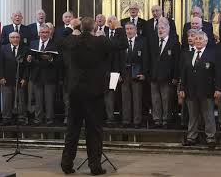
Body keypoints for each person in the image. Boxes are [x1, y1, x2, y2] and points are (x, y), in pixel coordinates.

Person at [60, 17, 128, 175]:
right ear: (94, 28)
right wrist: (118, 27)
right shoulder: (100, 41)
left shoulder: (72, 40)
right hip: (94, 93)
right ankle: (95, 166)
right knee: (94, 130)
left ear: (80, 28)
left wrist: (71, 27)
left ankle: (66, 164)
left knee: (72, 129)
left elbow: (59, 40)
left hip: (75, 91)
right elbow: (122, 44)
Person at [179, 29, 221, 147]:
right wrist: (181, 88)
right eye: (196, 39)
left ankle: (210, 138)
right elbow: (183, 74)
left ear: (206, 41)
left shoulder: (212, 54)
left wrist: (218, 89)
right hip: (190, 91)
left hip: (207, 90)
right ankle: (192, 137)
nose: (198, 41)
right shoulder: (187, 55)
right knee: (192, 116)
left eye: (200, 39)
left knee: (208, 115)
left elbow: (218, 73)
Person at [148, 17, 180, 129]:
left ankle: (166, 120)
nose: (160, 30)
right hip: (154, 76)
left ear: (168, 29)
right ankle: (157, 120)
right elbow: (149, 59)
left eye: (162, 28)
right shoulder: (153, 41)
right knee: (155, 99)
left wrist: (175, 77)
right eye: (158, 29)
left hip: (167, 77)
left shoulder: (174, 42)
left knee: (166, 100)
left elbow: (176, 62)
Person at [28, 24, 60, 126]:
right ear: (39, 33)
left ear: (50, 33)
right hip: (37, 76)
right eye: (42, 32)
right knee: (38, 100)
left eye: (46, 32)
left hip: (49, 76)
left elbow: (59, 61)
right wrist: (29, 59)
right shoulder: (33, 43)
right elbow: (30, 57)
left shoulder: (55, 44)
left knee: (49, 100)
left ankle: (49, 119)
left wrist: (50, 59)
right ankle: (38, 119)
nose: (44, 34)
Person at [120, 22, 148, 128]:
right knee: (125, 97)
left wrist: (144, 73)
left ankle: (137, 121)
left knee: (137, 98)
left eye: (131, 28)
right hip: (125, 73)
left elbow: (145, 59)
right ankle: (126, 120)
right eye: (127, 29)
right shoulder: (122, 41)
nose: (129, 31)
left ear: (135, 30)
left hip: (137, 72)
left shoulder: (142, 41)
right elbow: (118, 59)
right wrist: (118, 73)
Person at [0, 32, 29, 126]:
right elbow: (0, 64)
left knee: (21, 100)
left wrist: (24, 78)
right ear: (9, 39)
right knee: (7, 100)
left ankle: (21, 118)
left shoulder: (25, 49)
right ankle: (6, 118)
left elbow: (27, 66)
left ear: (20, 38)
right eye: (13, 37)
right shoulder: (4, 48)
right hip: (7, 79)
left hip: (20, 80)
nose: (15, 39)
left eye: (17, 37)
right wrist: (1, 77)